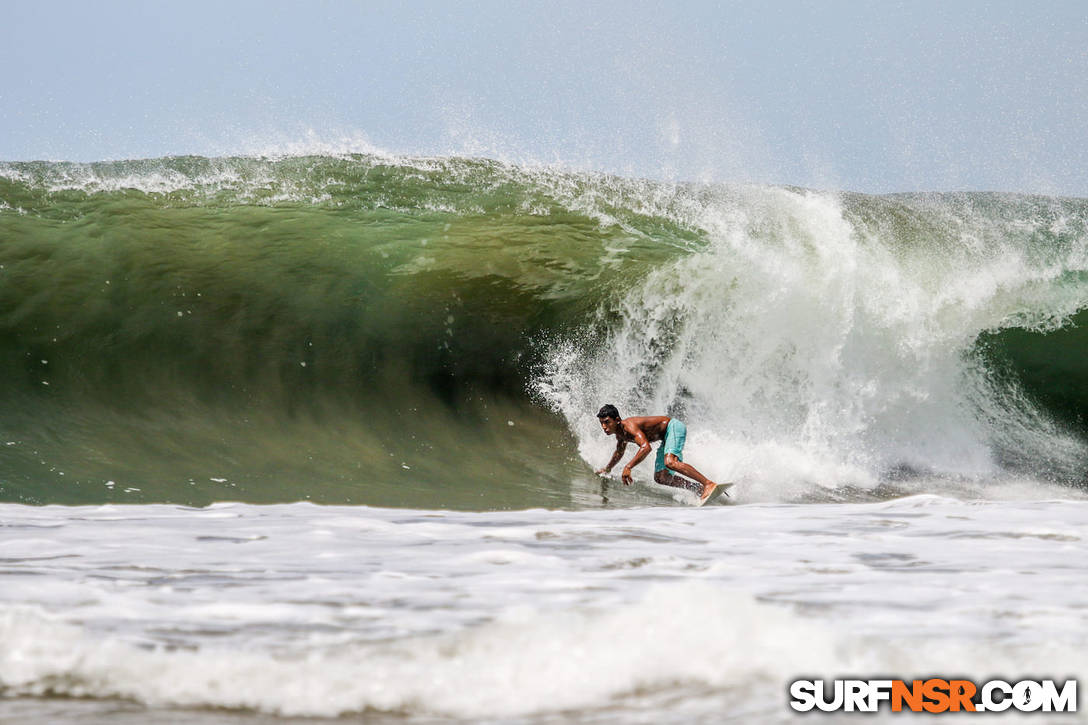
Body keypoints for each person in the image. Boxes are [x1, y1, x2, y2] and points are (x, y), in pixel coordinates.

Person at [594, 403, 724, 502]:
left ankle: (708, 484)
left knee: (670, 462)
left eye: (607, 422)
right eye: (601, 423)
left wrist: (628, 467)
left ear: (617, 420)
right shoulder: (620, 435)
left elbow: (646, 447)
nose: (604, 427)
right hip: (665, 438)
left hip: (672, 427)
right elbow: (619, 452)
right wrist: (607, 468)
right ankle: (697, 488)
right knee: (661, 477)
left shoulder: (629, 426)